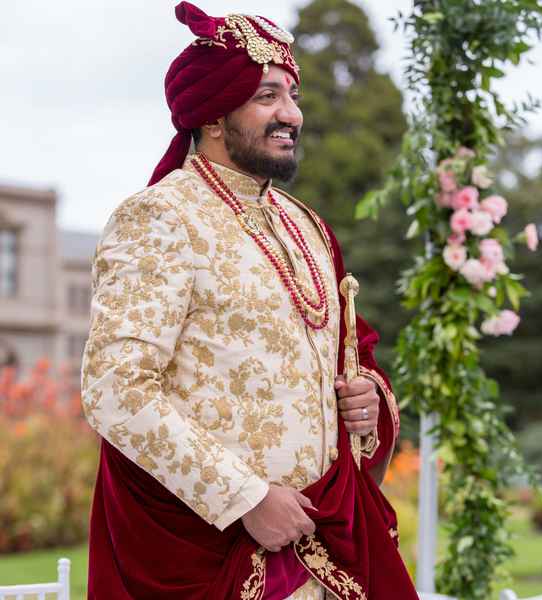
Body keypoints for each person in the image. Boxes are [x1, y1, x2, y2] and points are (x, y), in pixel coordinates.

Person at [81, 3, 418, 599]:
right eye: (267, 96)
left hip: (325, 546)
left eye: (293, 94)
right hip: (215, 551)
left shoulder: (303, 224)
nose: (292, 113)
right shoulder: (161, 216)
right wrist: (244, 498)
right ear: (213, 115)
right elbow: (116, 388)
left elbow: (346, 354)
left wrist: (367, 399)